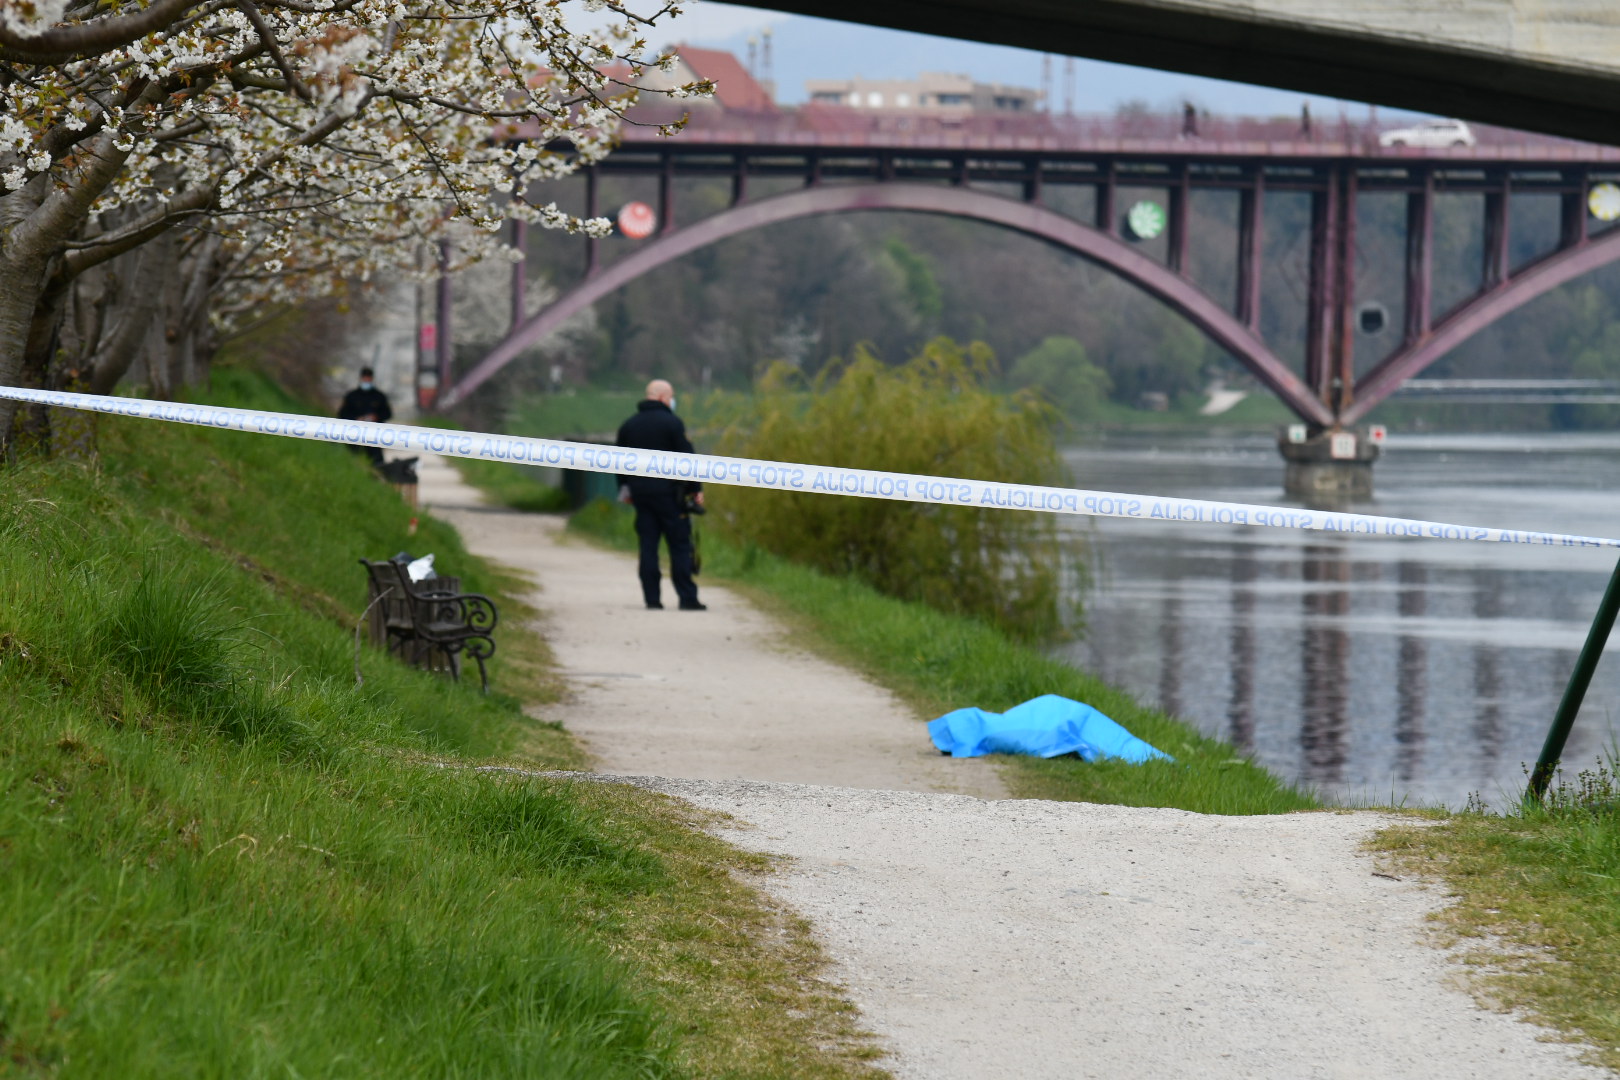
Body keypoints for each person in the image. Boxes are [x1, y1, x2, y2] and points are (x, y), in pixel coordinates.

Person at [615, 378, 705, 611]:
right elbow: (688, 460)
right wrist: (696, 490)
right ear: (665, 398)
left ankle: (652, 599)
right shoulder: (672, 424)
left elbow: (618, 463)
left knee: (648, 547)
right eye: (671, 396)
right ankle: (687, 598)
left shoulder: (629, 425)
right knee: (679, 546)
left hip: (640, 495)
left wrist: (625, 489)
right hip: (670, 495)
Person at [338, 366, 392, 465]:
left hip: (374, 436)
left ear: (372, 379)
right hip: (354, 435)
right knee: (354, 461)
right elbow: (342, 414)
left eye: (369, 378)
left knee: (377, 462)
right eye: (365, 378)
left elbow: (387, 414)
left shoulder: (379, 396)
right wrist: (356, 419)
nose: (367, 380)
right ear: (361, 378)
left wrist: (376, 417)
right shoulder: (352, 396)